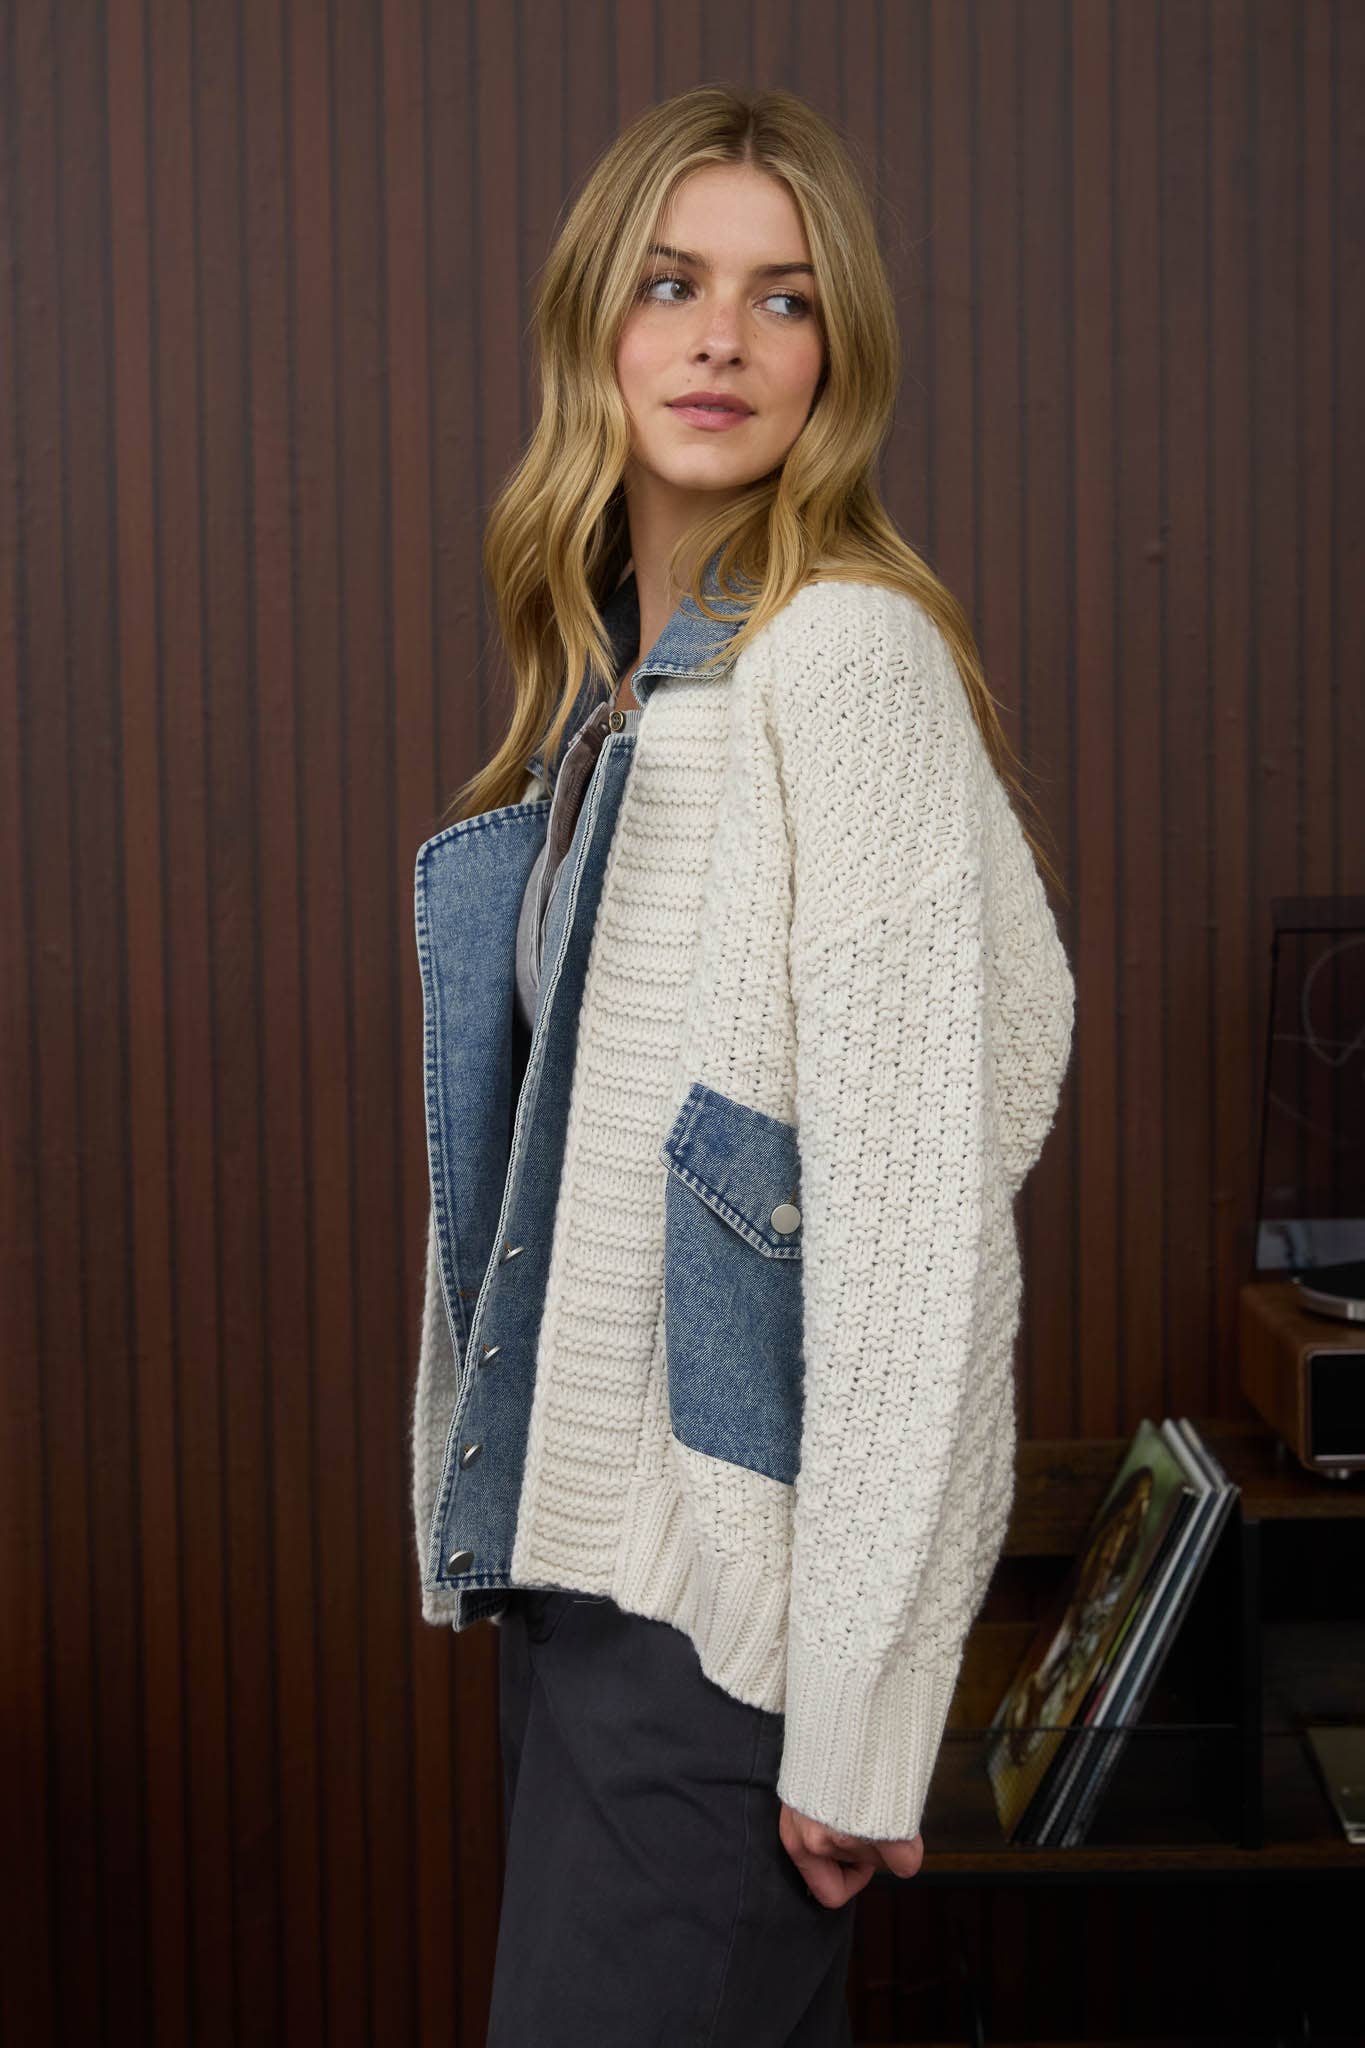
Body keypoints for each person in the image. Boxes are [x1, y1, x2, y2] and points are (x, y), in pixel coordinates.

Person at [408, 83, 1075, 2047]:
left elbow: (913, 1239)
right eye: (670, 283)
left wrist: (861, 1712)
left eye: (782, 299)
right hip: (586, 1604)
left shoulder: (841, 662)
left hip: (719, 1635)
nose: (721, 339)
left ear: (835, 357)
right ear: (590, 327)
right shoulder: (623, 699)